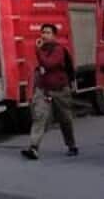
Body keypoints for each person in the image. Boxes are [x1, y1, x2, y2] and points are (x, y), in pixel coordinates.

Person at [22, 23, 78, 160]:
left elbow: (49, 64)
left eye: (47, 33)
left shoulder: (58, 49)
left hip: (60, 90)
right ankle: (33, 147)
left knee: (65, 119)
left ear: (54, 35)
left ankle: (71, 145)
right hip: (43, 89)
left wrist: (38, 51)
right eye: (43, 32)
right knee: (39, 117)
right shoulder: (42, 49)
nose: (44, 35)